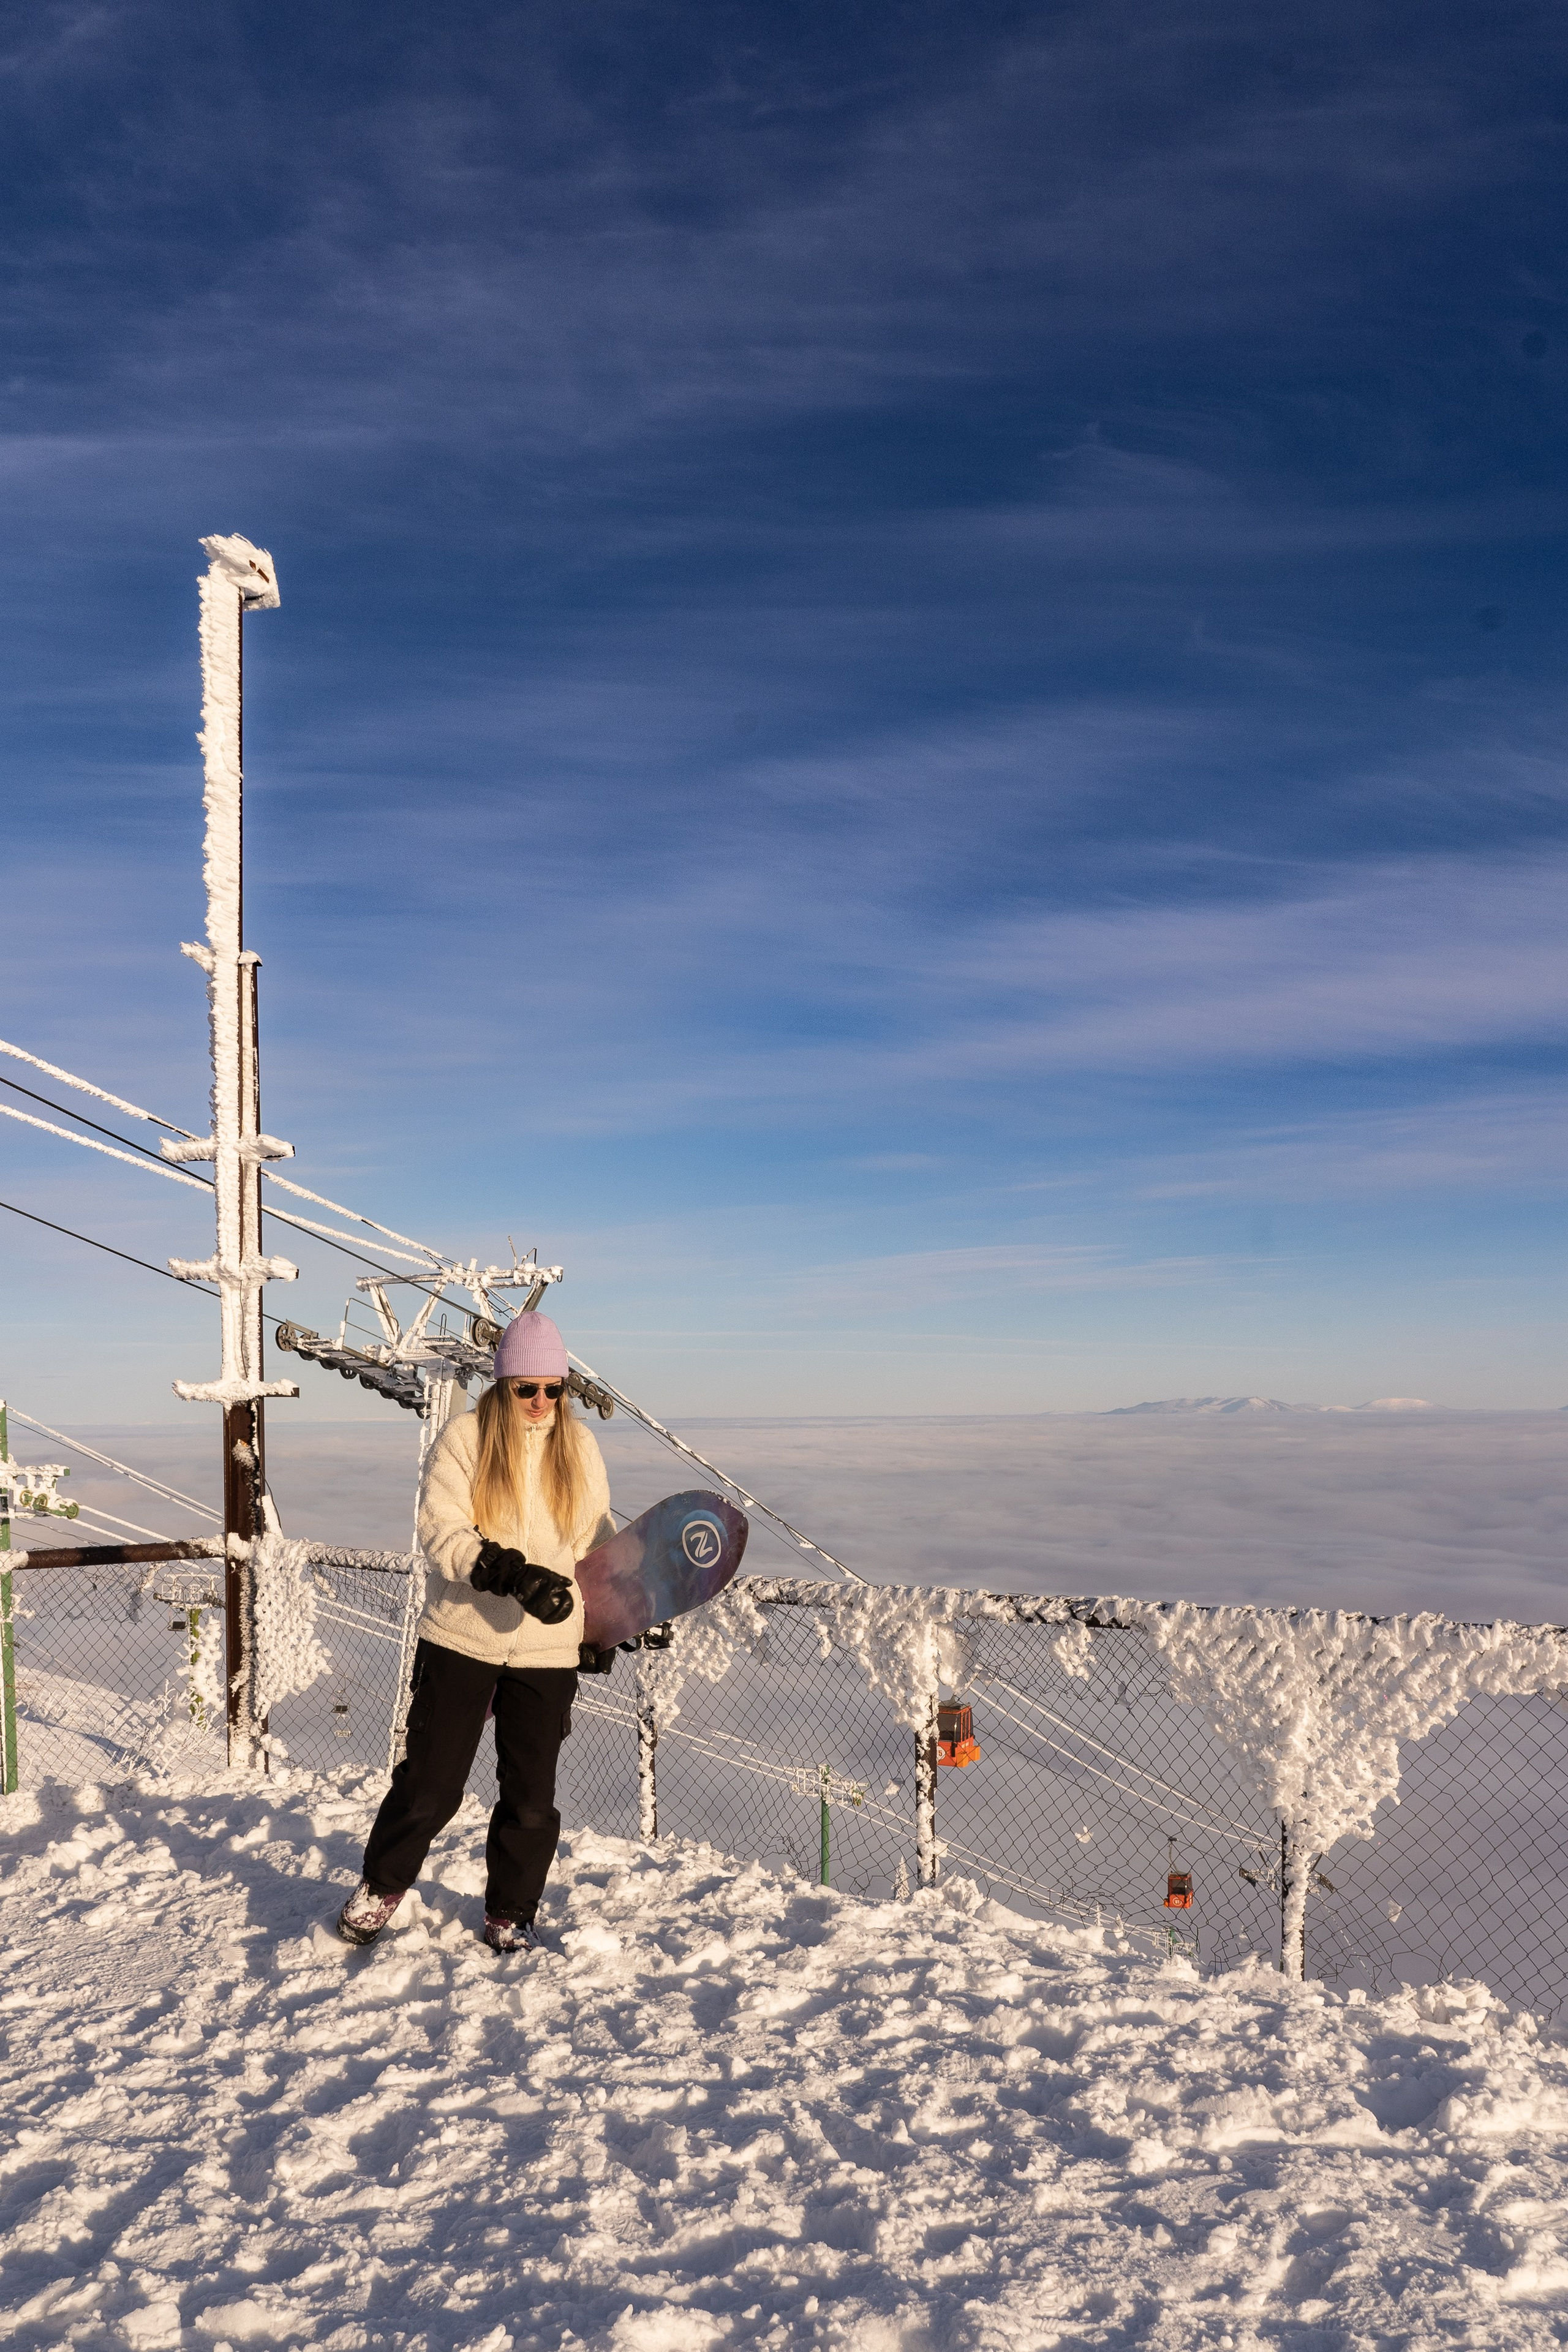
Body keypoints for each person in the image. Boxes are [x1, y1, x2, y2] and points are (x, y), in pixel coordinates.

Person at [336, 1311, 614, 1954]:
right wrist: (503, 1572)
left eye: (554, 1389)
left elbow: (593, 1542)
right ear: (502, 1385)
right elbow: (442, 1530)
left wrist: (613, 1617)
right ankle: (382, 1887)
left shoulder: (580, 1449)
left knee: (531, 1798)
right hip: (462, 1635)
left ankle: (511, 1912)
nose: (542, 1402)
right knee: (431, 1784)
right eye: (527, 1389)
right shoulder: (465, 1438)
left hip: (547, 1647)